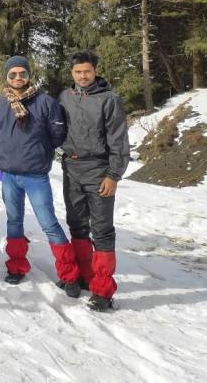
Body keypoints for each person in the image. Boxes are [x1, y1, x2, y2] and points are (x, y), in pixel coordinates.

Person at [0, 56, 80, 297]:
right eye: (13, 74)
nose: (18, 78)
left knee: (48, 223)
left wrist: (41, 151)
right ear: (6, 77)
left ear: (29, 75)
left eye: (22, 73)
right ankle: (17, 266)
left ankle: (69, 275)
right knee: (14, 222)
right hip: (9, 174)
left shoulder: (45, 102)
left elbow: (57, 134)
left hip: (36, 175)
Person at [59, 50, 130, 311]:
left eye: (87, 71)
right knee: (76, 224)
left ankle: (102, 289)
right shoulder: (65, 96)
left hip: (99, 170)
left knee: (101, 230)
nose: (83, 76)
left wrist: (113, 175)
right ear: (72, 73)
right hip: (71, 168)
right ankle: (83, 275)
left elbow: (119, 140)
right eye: (78, 72)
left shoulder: (109, 99)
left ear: (95, 71)